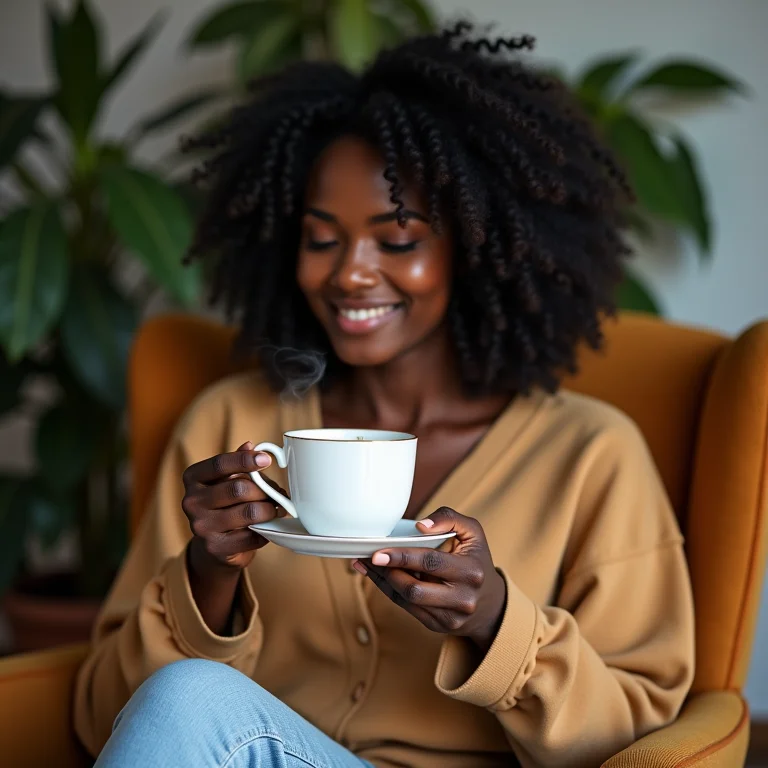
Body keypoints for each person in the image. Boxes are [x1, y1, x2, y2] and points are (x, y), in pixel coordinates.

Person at [75, 22, 694, 768]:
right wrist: (208, 576)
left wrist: (495, 621)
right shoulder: (232, 423)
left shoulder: (591, 454)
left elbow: (636, 743)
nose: (350, 273)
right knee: (187, 700)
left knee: (191, 700)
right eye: (321, 238)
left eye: (397, 240)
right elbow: (107, 720)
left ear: (477, 244)